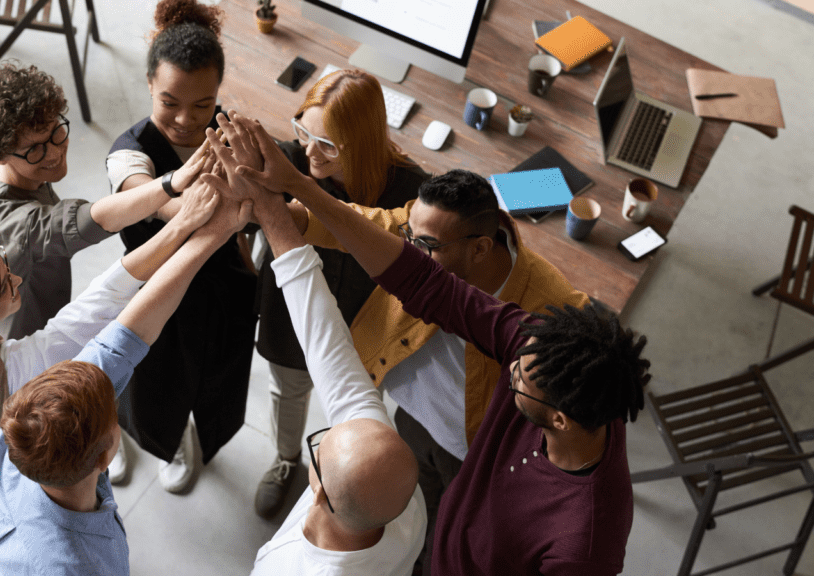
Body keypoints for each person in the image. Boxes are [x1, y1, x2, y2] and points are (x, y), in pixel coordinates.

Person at [230, 115, 651, 576]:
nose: (508, 371)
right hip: (432, 480)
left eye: (517, 381)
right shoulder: (541, 347)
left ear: (558, 418)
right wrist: (292, 190)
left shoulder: (586, 543)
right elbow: (421, 280)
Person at [0, 181, 217, 575]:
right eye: (5, 286)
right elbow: (101, 303)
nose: (17, 281)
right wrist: (182, 227)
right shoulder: (12, 373)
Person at [294, 169, 589, 571]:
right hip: (412, 418)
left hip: (468, 449)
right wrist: (292, 216)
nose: (408, 252)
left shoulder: (547, 306)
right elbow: (366, 223)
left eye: (426, 246)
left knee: (445, 538)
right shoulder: (426, 228)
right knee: (406, 510)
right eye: (409, 236)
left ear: (481, 248)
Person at [201, 115, 426, 576]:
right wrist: (272, 212)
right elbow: (331, 351)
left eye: (319, 445)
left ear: (317, 490)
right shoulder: (403, 502)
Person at [0, 190, 252, 574]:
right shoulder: (72, 566)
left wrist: (212, 231)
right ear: (107, 453)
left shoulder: (22, 435)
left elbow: (129, 333)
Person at [0, 62, 190, 483]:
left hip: (40, 310)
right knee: (76, 383)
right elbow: (77, 224)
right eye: (35, 149)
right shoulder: (8, 225)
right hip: (26, 335)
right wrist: (170, 187)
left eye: (56, 132)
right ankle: (105, 433)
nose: (55, 151)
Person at [253, 69, 429, 520]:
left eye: (327, 144)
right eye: (302, 132)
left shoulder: (412, 194)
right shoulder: (286, 162)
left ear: (363, 143)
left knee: (352, 419)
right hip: (292, 322)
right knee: (287, 393)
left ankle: (336, 481)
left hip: (366, 336)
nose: (308, 151)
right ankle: (287, 459)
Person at [104, 0, 257, 494]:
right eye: (169, 102)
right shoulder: (129, 151)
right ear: (149, 84)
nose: (186, 120)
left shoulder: (233, 134)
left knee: (213, 383)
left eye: (202, 105)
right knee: (144, 383)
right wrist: (195, 201)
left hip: (220, 290)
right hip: (155, 288)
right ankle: (116, 440)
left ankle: (186, 442)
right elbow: (154, 201)